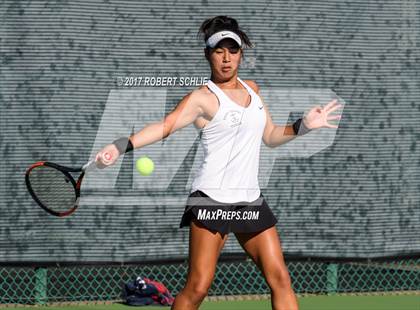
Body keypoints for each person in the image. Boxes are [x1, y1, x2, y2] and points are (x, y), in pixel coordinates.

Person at [96, 15, 341, 310]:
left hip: (250, 200)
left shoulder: (253, 90)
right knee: (198, 287)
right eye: (218, 51)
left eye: (232, 50)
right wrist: (120, 145)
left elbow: (272, 136)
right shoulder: (202, 98)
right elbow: (166, 126)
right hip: (211, 199)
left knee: (281, 279)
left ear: (241, 54)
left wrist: (303, 125)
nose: (226, 59)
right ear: (207, 54)